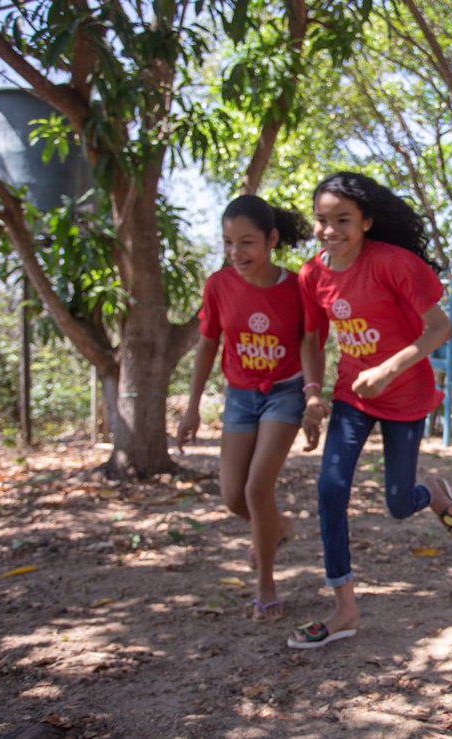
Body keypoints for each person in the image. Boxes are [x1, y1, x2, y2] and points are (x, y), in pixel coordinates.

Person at [289, 171, 452, 650]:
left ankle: (432, 494)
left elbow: (439, 329)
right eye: (322, 220)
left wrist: (388, 369)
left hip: (405, 394)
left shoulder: (394, 264)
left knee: (397, 504)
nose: (331, 230)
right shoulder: (312, 275)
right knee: (330, 488)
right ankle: (344, 609)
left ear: (366, 221)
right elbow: (312, 337)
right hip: (353, 394)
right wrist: (311, 393)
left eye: (343, 219)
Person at [177, 194, 311, 623]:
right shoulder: (218, 286)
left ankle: (265, 587)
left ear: (271, 239)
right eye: (229, 243)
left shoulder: (297, 287)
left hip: (283, 393)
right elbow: (208, 344)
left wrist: (312, 395)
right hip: (238, 397)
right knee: (234, 498)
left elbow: (310, 341)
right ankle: (280, 525)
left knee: (257, 489)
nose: (237, 253)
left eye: (247, 242)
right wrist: (192, 407)